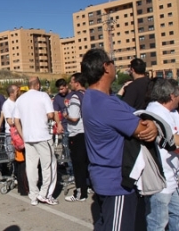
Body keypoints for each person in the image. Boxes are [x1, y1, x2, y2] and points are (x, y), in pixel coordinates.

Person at [80, 48, 158, 231]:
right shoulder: (104, 104)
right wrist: (151, 125)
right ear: (106, 67)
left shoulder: (101, 98)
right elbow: (142, 129)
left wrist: (150, 121)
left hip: (108, 178)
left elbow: (139, 116)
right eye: (112, 62)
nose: (115, 66)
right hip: (116, 184)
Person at [14, 77, 63, 206]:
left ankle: (34, 195)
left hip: (29, 137)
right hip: (42, 136)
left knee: (31, 166)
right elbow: (51, 115)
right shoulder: (43, 95)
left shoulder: (20, 99)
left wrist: (23, 135)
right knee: (49, 165)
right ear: (38, 85)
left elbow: (16, 121)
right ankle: (45, 194)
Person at [144, 78, 179, 231]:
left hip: (172, 178)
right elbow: (172, 140)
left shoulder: (168, 112)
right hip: (160, 181)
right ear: (172, 96)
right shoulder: (155, 114)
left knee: (176, 216)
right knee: (157, 224)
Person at [62, 73, 89, 202]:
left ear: (77, 83)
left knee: (78, 165)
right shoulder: (88, 94)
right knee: (87, 163)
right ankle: (88, 187)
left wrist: (65, 115)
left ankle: (80, 192)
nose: (70, 84)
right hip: (88, 132)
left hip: (77, 133)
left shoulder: (75, 96)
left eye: (72, 82)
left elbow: (74, 117)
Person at [53, 78, 74, 180]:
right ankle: (71, 172)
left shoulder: (73, 95)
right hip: (65, 127)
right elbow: (56, 112)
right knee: (67, 151)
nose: (60, 91)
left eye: (62, 89)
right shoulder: (57, 98)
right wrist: (59, 124)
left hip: (76, 127)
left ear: (66, 86)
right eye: (59, 89)